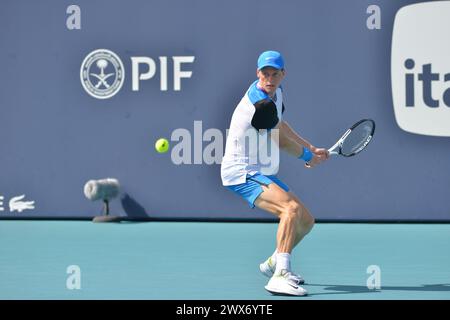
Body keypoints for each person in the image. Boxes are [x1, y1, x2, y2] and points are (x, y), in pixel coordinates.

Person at [221, 50, 329, 296]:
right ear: (257, 73)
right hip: (240, 172)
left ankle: (274, 262)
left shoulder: (275, 94)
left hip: (256, 169)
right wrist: (307, 157)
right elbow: (280, 140)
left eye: (274, 74)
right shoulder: (259, 104)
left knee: (306, 220)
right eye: (265, 74)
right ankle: (279, 275)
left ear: (283, 75)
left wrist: (310, 146)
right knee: (289, 210)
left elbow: (280, 123)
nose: (269, 79)